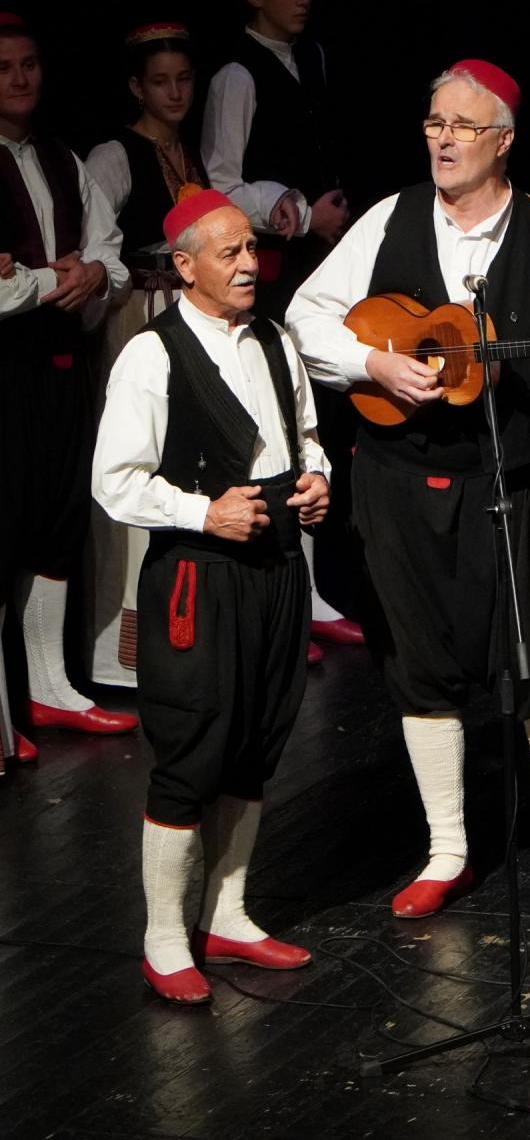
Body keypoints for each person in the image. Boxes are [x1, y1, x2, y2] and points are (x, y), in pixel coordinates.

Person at [289, 59, 530, 921]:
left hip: (505, 482)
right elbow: (304, 316)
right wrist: (372, 362)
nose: (443, 140)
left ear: (504, 141)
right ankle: (447, 849)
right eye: (435, 123)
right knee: (417, 668)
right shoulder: (390, 217)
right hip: (396, 484)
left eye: (463, 127)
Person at [93, 189, 330, 1003]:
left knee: (258, 740)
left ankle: (227, 915)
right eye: (229, 253)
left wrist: (316, 480)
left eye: (251, 248)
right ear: (186, 266)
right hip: (198, 574)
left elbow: (305, 433)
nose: (249, 264)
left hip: (277, 565)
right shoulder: (152, 355)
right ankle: (164, 937)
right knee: (194, 746)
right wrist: (204, 512)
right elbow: (114, 480)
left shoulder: (275, 340)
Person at [199, 0, 359, 651]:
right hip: (271, 270)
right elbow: (221, 180)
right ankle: (283, 593)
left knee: (316, 420)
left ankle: (317, 591)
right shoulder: (237, 74)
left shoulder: (313, 58)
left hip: (321, 265)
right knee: (281, 415)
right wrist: (291, 208)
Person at [1, 11, 134, 767]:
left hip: (58, 365)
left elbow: (110, 251)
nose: (20, 79)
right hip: (4, 371)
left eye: (29, 64)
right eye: (4, 68)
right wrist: (48, 280)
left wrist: (92, 275)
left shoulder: (60, 156)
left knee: (56, 521)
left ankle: (51, 688)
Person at [84, 23, 210, 687]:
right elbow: (98, 243)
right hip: (137, 315)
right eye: (160, 81)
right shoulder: (115, 155)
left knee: (183, 465)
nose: (175, 92)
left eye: (183, 78)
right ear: (137, 87)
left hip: (184, 313)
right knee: (134, 461)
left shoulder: (188, 150)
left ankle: (180, 631)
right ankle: (120, 650)